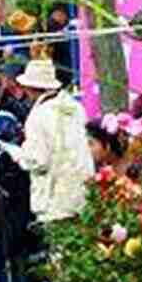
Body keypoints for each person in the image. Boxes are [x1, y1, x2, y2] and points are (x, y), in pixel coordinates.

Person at [10, 54, 94, 226]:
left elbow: (38, 160)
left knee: (59, 247)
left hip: (54, 199)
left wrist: (18, 155)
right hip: (83, 193)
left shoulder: (38, 116)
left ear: (31, 88)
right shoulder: (76, 108)